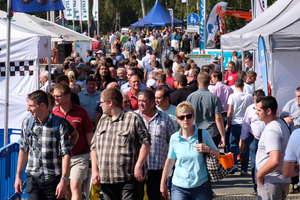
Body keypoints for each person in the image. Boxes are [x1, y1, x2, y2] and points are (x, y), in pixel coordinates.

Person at [91, 88, 151, 200]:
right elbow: (94, 147)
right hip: (106, 181)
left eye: (101, 102)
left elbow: (146, 143)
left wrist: (139, 165)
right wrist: (94, 171)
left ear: (110, 103)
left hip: (128, 180)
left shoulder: (132, 118)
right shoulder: (103, 121)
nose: (100, 105)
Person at [14, 90, 72, 200]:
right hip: (33, 178)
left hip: (53, 179)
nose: (28, 109)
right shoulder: (27, 123)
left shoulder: (59, 123)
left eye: (31, 106)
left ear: (42, 106)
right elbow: (23, 150)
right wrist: (18, 176)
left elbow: (66, 153)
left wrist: (64, 180)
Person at [160, 102, 219, 200]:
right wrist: (163, 184)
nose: (185, 120)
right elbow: (170, 162)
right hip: (179, 186)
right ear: (177, 120)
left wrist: (208, 149)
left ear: (193, 117)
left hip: (201, 185)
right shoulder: (174, 138)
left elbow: (217, 155)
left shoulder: (203, 134)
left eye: (188, 116)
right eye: (182, 117)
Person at [52, 84, 94, 200]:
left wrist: (94, 155)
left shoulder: (81, 112)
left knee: (75, 184)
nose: (55, 98)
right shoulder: (53, 114)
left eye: (58, 96)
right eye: (54, 96)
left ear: (68, 96)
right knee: (68, 188)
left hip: (80, 157)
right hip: (61, 158)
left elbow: (89, 134)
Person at [136, 90, 176, 200]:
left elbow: (174, 142)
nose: (140, 104)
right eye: (139, 101)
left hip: (158, 168)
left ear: (152, 102)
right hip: (138, 168)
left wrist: (174, 162)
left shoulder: (165, 118)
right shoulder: (133, 117)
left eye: (144, 101)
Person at [255, 96, 290, 200]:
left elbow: (275, 160)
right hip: (278, 181)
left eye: (259, 110)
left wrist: (260, 175)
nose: (256, 113)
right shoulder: (280, 124)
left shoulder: (272, 129)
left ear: (268, 111)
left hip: (271, 183)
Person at [187, 72, 225, 147]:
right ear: (209, 83)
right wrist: (222, 135)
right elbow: (218, 118)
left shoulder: (190, 97)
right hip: (211, 133)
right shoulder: (214, 97)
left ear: (198, 83)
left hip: (195, 132)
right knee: (211, 156)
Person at [239, 89, 265, 194]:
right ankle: (256, 187)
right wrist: (242, 140)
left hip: (267, 141)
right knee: (254, 164)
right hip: (255, 140)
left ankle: (264, 185)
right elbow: (245, 125)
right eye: (255, 100)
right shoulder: (250, 109)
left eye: (259, 100)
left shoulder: (268, 109)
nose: (257, 103)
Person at [226, 78, 253, 174]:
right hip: (246, 123)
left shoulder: (232, 96)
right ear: (243, 86)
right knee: (245, 146)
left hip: (235, 123)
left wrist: (228, 123)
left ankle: (234, 164)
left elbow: (230, 111)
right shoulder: (249, 97)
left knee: (233, 144)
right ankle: (244, 169)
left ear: (235, 86)